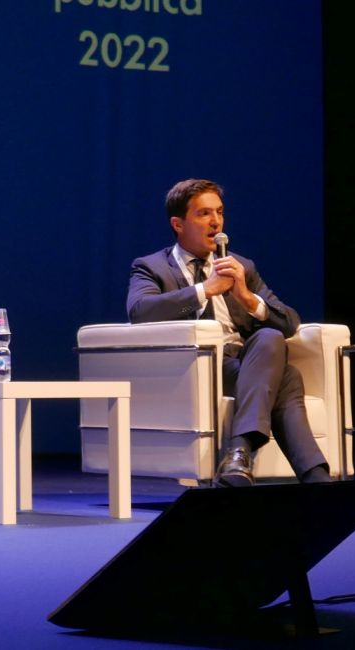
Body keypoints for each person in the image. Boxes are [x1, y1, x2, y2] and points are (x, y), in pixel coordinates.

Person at [127, 179, 331, 487]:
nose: (216, 222)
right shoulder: (152, 267)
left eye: (220, 212)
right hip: (197, 368)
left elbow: (289, 322)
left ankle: (239, 454)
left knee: (270, 338)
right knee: (287, 377)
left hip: (245, 364)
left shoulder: (240, 266)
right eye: (204, 214)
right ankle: (316, 478)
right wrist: (203, 291)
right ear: (178, 224)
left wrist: (247, 298)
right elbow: (140, 311)